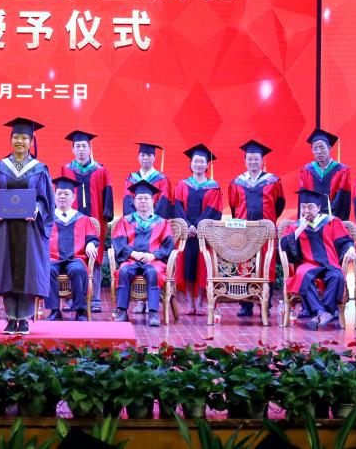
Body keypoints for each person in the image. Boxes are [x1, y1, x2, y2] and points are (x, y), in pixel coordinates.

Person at [0, 117, 53, 335]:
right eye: (16, 137)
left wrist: (37, 208)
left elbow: (47, 200)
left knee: (29, 271)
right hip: (5, 227)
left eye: (25, 138)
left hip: (30, 228)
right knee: (7, 269)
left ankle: (24, 319)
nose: (20, 141)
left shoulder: (39, 169)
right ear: (10, 140)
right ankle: (10, 318)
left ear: (31, 141)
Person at [280, 189, 355, 330]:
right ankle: (322, 313)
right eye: (303, 207)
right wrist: (300, 229)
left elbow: (345, 241)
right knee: (302, 275)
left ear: (319, 208)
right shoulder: (295, 226)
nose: (306, 211)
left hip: (329, 263)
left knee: (337, 276)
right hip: (307, 264)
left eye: (310, 207)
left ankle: (321, 313)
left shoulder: (331, 222)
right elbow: (283, 246)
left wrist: (350, 248)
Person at [228, 140, 285, 317]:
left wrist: (269, 219)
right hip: (244, 232)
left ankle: (265, 303)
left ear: (262, 161)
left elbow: (279, 204)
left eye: (256, 159)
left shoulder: (273, 181)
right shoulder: (237, 182)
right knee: (245, 266)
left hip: (265, 231)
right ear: (245, 161)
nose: (253, 162)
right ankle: (246, 304)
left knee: (265, 266)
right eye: (249, 159)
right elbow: (234, 206)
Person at [60, 130, 114, 314]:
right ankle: (71, 298)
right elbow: (60, 194)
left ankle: (96, 299)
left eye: (84, 146)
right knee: (70, 256)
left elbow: (108, 195)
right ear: (72, 149)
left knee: (95, 258)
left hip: (95, 220)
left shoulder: (100, 170)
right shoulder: (66, 170)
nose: (81, 150)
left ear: (90, 149)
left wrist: (106, 217)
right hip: (70, 222)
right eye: (78, 146)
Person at [112, 180, 175, 326]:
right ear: (134, 202)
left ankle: (153, 313)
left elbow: (168, 245)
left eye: (146, 198)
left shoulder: (162, 222)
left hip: (154, 261)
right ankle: (122, 312)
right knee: (123, 271)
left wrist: (154, 255)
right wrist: (133, 254)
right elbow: (119, 242)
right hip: (131, 259)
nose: (143, 201)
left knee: (153, 272)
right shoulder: (125, 221)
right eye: (139, 198)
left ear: (153, 201)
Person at [172, 144, 222, 315]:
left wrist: (199, 226)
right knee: (187, 266)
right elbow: (177, 207)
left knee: (203, 267)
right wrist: (187, 226)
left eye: (202, 161)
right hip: (186, 234)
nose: (198, 164)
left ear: (207, 165)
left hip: (205, 234)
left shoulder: (214, 187)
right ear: (190, 164)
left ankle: (200, 302)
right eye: (196, 161)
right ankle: (189, 302)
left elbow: (214, 210)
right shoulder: (181, 185)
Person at [45, 176, 99, 322]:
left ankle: (80, 310)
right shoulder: (47, 219)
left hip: (76, 258)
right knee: (47, 269)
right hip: (53, 258)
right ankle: (54, 310)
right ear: (54, 196)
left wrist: (91, 243)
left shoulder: (83, 219)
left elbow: (92, 237)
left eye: (66, 194)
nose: (62, 196)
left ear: (73, 197)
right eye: (59, 193)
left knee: (78, 270)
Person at [298, 128, 352, 220]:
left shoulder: (342, 170)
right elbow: (304, 198)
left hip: (333, 219)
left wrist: (324, 217)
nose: (318, 152)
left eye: (322, 147)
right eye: (315, 149)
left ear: (329, 148)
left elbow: (342, 199)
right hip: (312, 219)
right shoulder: (306, 170)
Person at [122, 143, 173, 218]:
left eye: (149, 155)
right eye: (142, 155)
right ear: (138, 158)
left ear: (154, 158)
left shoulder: (163, 180)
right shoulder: (131, 179)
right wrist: (136, 220)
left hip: (156, 222)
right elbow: (128, 202)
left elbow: (163, 203)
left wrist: (152, 220)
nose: (146, 158)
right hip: (134, 222)